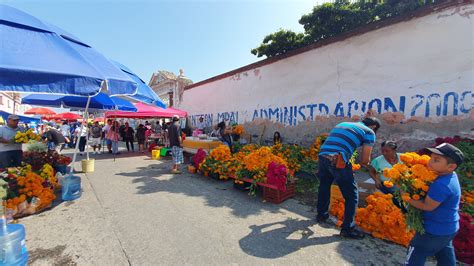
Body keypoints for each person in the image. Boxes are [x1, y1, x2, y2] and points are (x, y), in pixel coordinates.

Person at [316, 117, 381, 239]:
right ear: (374, 127)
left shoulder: (344, 123)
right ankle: (348, 228)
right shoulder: (369, 132)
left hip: (323, 155)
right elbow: (364, 161)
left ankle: (321, 215)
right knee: (352, 195)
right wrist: (373, 170)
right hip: (337, 159)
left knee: (324, 186)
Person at [404, 143, 463, 266]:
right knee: (444, 253)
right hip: (448, 228)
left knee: (416, 253)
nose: (430, 162)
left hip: (433, 231)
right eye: (431, 157)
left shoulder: (441, 185)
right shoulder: (450, 176)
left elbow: (427, 206)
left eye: (436, 160)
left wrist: (406, 197)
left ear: (451, 166)